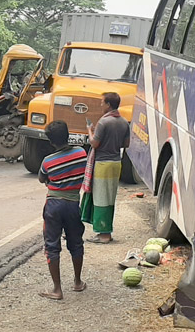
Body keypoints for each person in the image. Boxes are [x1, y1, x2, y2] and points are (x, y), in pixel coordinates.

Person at [37, 120, 88, 300]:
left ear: (51, 142)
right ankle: (77, 282)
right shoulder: (82, 152)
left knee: (52, 245)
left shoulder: (48, 161)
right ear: (68, 135)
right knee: (76, 243)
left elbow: (42, 178)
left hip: (54, 205)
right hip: (74, 203)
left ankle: (57, 290)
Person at [81, 92, 130, 244]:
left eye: (102, 103)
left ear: (108, 104)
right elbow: (126, 144)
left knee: (101, 198)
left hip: (102, 164)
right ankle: (105, 230)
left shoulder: (104, 122)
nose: (101, 105)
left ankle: (104, 235)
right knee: (109, 198)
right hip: (116, 163)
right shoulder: (123, 122)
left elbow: (94, 143)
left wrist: (90, 130)